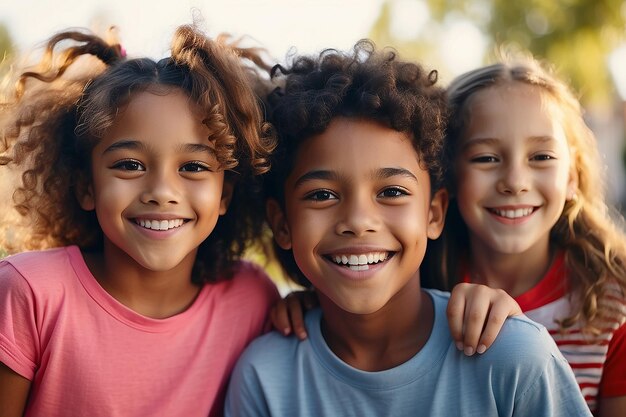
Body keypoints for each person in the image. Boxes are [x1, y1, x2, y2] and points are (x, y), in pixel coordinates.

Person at [224, 41, 592, 417]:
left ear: (434, 213)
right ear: (282, 224)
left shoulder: (514, 358)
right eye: (321, 195)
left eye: (392, 192)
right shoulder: (263, 377)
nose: (358, 221)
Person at [0, 24, 279, 417]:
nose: (161, 191)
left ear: (225, 195)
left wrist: (305, 311)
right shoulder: (29, 294)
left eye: (194, 166)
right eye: (129, 165)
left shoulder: (252, 298)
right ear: (86, 186)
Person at [420, 55, 626, 416]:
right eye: (485, 158)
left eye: (541, 156)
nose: (515, 181)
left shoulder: (615, 308)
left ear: (572, 177)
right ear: (449, 176)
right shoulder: (414, 290)